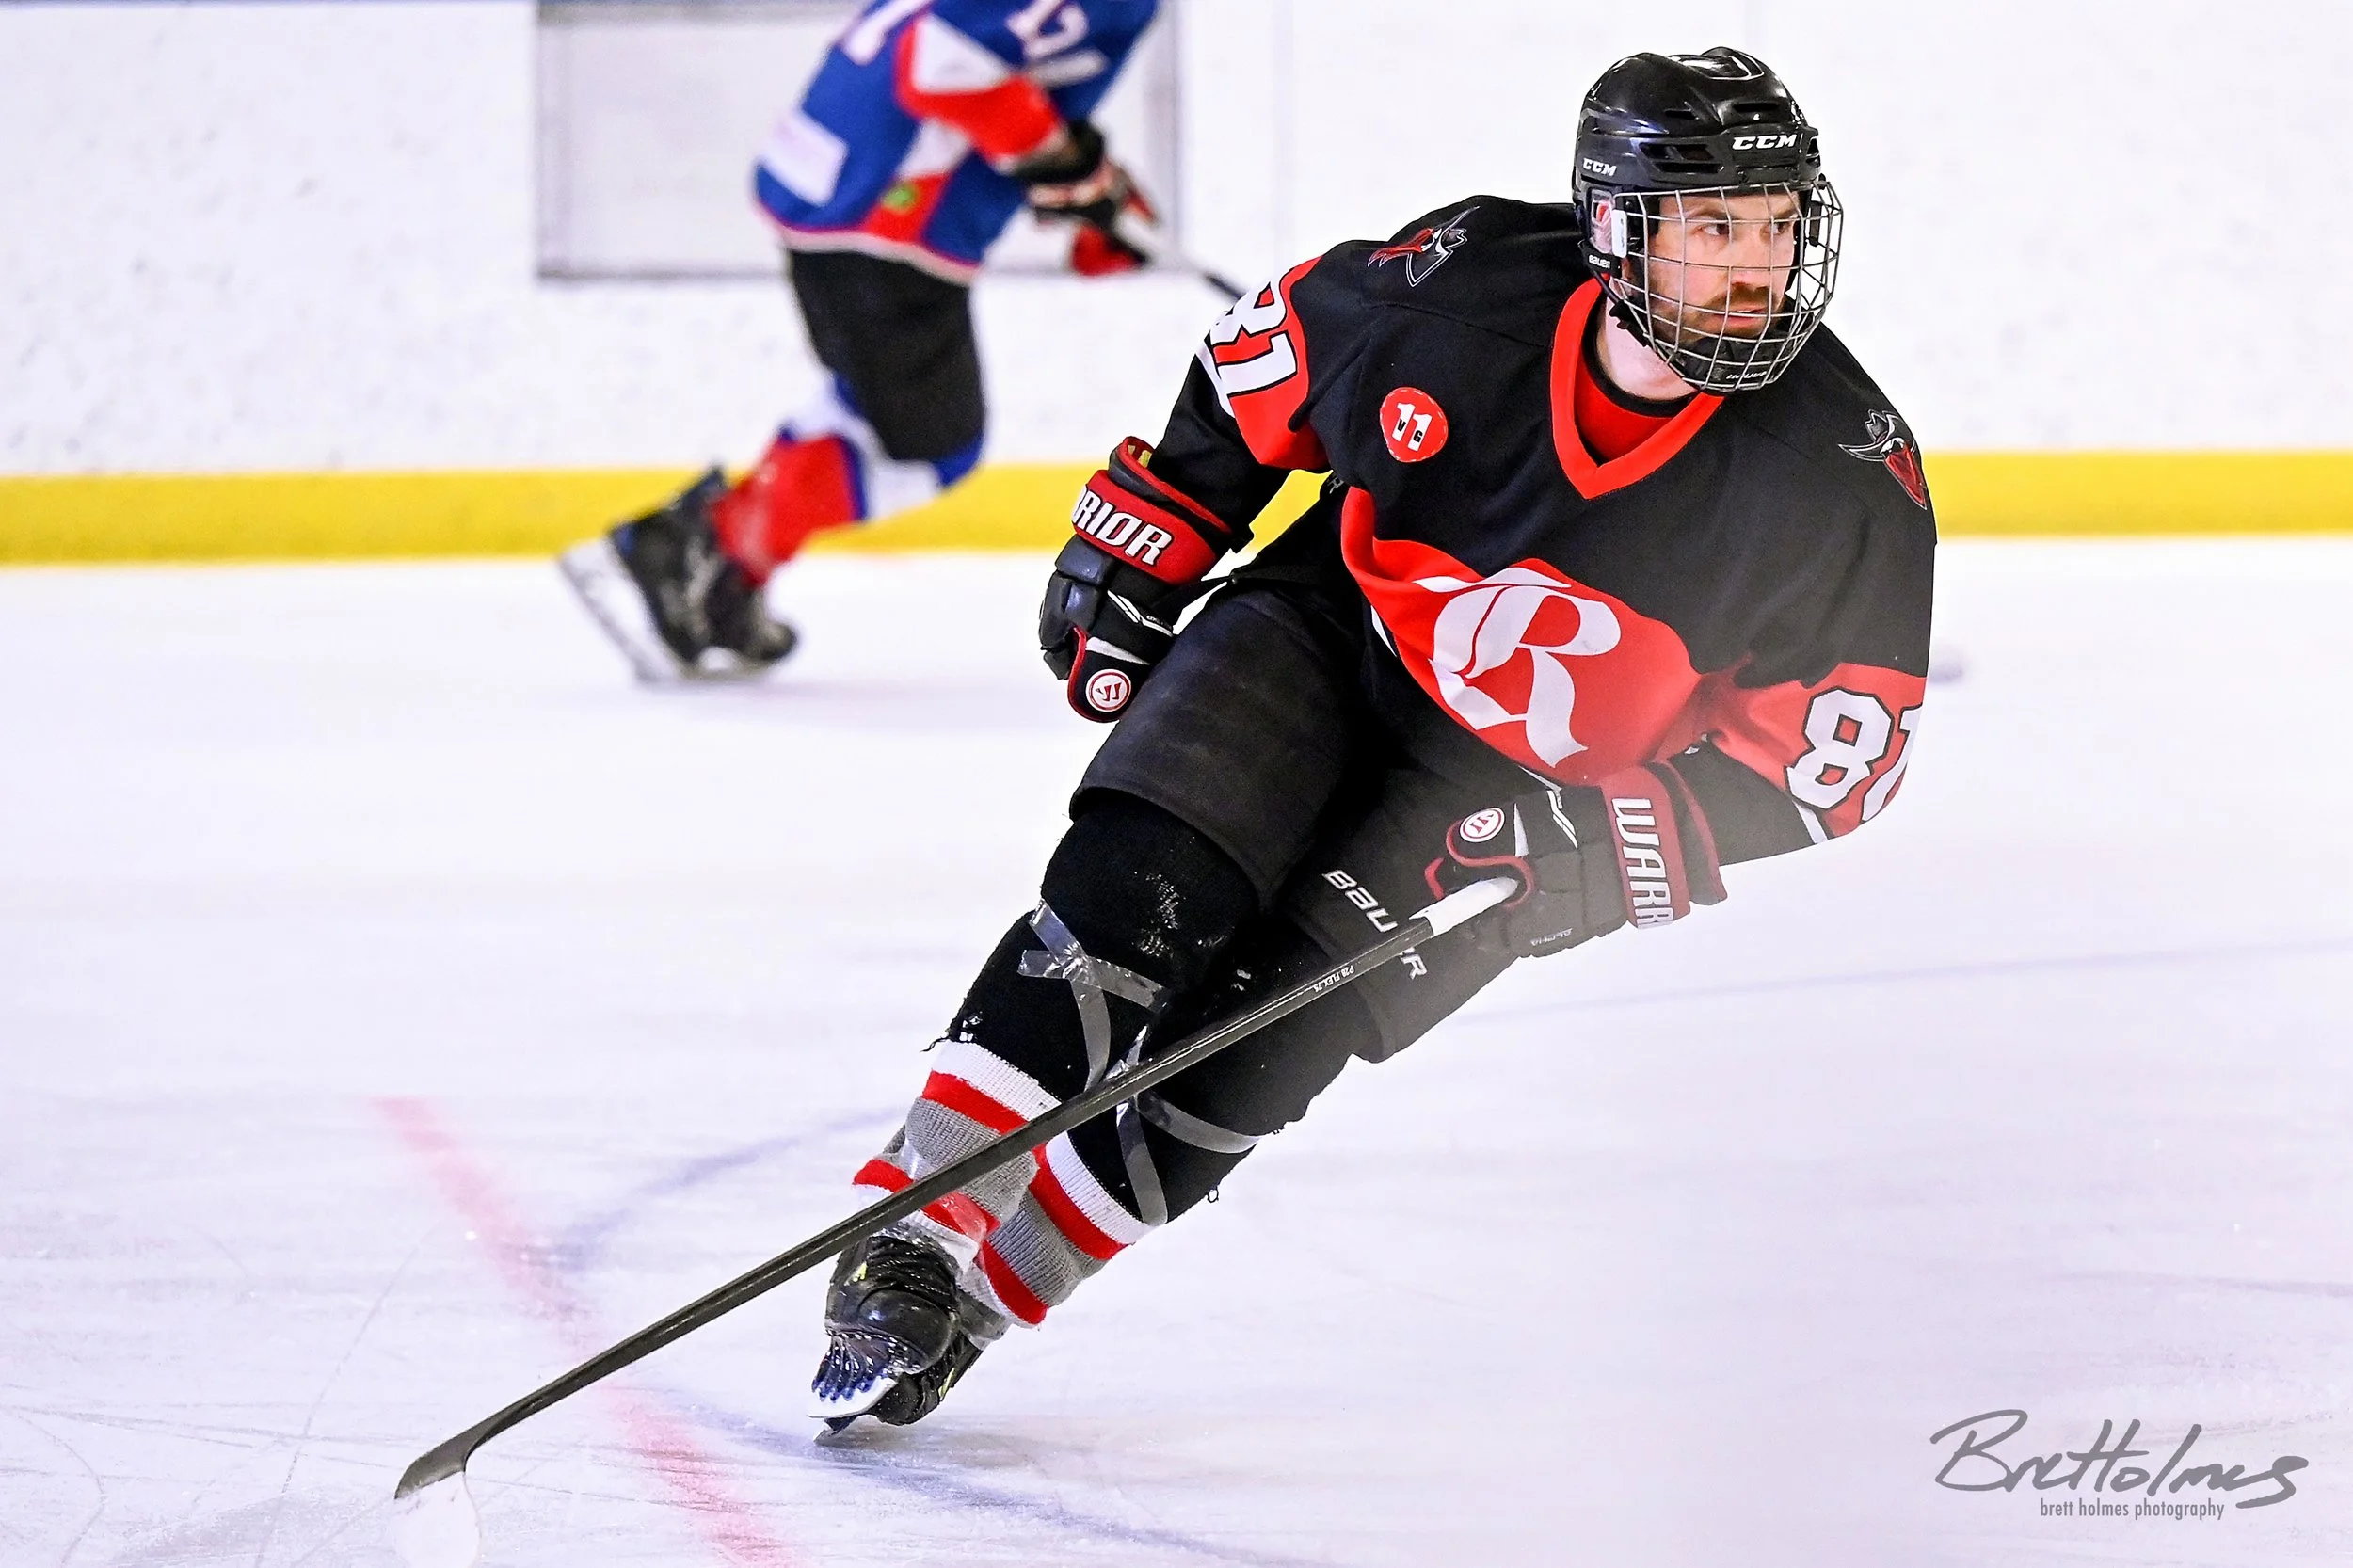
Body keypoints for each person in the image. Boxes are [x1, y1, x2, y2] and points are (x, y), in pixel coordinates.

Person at [808, 46, 1937, 1427]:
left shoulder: (1838, 476)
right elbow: (1258, 364)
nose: (1755, 265)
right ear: (1613, 226)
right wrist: (1158, 533)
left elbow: (1828, 773)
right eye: (1714, 226)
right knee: (1125, 903)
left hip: (1509, 784)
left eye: (1775, 225)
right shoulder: (1458, 294)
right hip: (1325, 639)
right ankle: (909, 1239)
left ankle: (974, 1310)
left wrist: (1598, 844)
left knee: (1242, 1061)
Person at [561, 0, 1168, 681]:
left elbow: (996, 58)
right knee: (926, 446)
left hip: (842, 182)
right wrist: (1068, 167)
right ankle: (699, 549)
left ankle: (716, 571)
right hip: (880, 213)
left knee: (875, 418)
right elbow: (941, 66)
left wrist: (1081, 181)